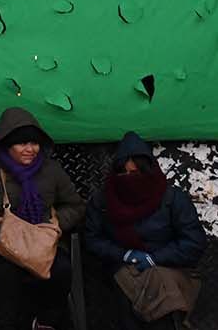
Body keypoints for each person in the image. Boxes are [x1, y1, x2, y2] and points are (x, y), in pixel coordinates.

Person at [0, 107, 86, 330]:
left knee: (61, 269)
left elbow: (76, 205)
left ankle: (45, 323)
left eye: (34, 143)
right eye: (22, 143)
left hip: (43, 241)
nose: (30, 149)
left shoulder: (50, 169)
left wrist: (55, 224)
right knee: (10, 272)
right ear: (6, 144)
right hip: (1, 244)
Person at [84, 132, 205, 330]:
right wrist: (125, 254)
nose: (129, 179)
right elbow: (92, 238)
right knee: (128, 287)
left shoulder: (172, 199)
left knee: (162, 291)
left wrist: (155, 258)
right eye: (124, 174)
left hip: (170, 266)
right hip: (122, 266)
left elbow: (193, 242)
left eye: (136, 174)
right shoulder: (104, 200)